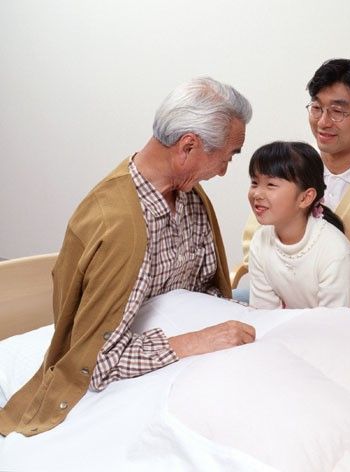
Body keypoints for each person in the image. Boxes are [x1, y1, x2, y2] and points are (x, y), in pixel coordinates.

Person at [0, 76, 256, 436]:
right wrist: (196, 341)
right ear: (188, 146)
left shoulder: (193, 200)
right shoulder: (116, 224)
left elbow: (207, 289)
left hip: (196, 368)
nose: (224, 171)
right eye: (225, 158)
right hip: (140, 381)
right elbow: (97, 360)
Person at [239, 58, 350, 301]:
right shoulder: (290, 167)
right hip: (278, 296)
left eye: (337, 111)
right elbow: (255, 241)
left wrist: (323, 281)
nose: (323, 122)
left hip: (347, 304)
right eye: (317, 107)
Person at [248, 141, 350, 317]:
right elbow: (264, 314)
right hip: (300, 319)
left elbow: (332, 323)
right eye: (254, 183)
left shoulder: (336, 251)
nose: (257, 194)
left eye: (271, 185)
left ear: (306, 198)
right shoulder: (259, 242)